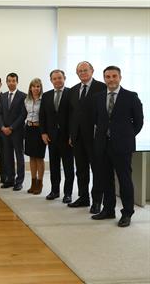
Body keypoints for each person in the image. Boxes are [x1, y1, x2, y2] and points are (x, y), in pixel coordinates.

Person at [91, 66, 143, 227]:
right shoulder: (98, 97)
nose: (111, 79)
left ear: (120, 77)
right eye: (107, 76)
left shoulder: (131, 96)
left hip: (122, 146)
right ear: (104, 78)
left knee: (124, 179)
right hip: (102, 145)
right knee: (106, 179)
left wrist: (125, 136)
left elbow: (139, 122)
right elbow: (96, 120)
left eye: (114, 76)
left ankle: (127, 213)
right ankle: (108, 209)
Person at [68, 61, 107, 213]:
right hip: (78, 138)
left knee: (97, 170)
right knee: (81, 169)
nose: (83, 73)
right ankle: (83, 197)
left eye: (85, 70)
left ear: (92, 71)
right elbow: (72, 115)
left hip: (95, 138)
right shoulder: (73, 90)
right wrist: (71, 134)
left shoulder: (102, 87)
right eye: (80, 71)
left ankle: (97, 201)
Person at [40, 70, 74, 203]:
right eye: (54, 78)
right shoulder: (46, 96)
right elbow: (42, 116)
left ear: (64, 78)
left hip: (67, 137)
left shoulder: (71, 93)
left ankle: (68, 193)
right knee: (54, 166)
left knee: (68, 167)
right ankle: (55, 191)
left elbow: (73, 116)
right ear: (51, 80)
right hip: (51, 137)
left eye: (59, 78)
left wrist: (72, 135)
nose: (57, 80)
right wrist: (43, 132)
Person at [0, 73, 27, 191]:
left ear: (17, 82)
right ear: (6, 82)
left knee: (19, 156)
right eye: (9, 81)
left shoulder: (23, 96)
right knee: (7, 156)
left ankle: (19, 181)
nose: (11, 83)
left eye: (13, 81)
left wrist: (12, 128)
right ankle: (10, 179)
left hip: (17, 131)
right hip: (4, 132)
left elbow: (23, 115)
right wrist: (2, 127)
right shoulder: (3, 96)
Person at [23, 78, 46, 195]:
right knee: (31, 156)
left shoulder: (44, 100)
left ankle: (40, 182)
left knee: (39, 157)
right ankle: (33, 182)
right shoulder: (26, 100)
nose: (36, 88)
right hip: (29, 129)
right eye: (34, 86)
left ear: (40, 88)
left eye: (38, 86)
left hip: (39, 130)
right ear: (30, 88)